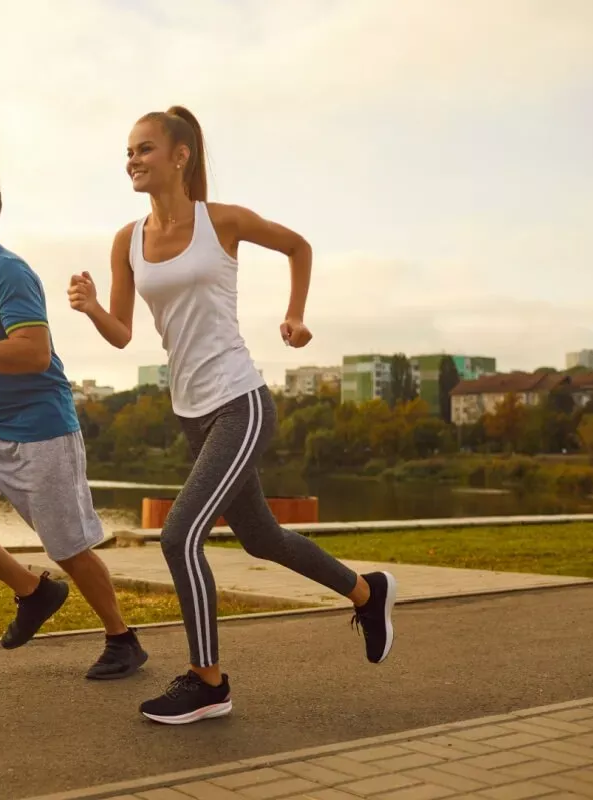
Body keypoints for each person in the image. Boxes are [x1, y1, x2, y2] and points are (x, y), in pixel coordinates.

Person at [68, 107, 397, 724]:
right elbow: (121, 335)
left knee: (178, 535)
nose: (132, 160)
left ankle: (208, 681)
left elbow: (298, 246)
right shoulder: (127, 240)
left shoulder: (222, 222)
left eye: (144, 149)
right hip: (191, 412)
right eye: (128, 152)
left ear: (181, 154)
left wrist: (296, 314)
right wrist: (89, 308)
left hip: (240, 403)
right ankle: (366, 591)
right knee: (261, 537)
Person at [0, 165, 149, 681]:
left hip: (41, 429)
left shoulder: (11, 273)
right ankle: (34, 592)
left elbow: (35, 353)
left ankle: (122, 639)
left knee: (68, 547)